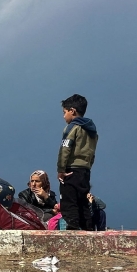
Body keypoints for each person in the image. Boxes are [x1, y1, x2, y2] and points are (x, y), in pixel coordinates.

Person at [56, 94, 98, 230]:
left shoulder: (72, 128)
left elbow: (65, 148)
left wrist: (61, 169)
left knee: (69, 201)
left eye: (64, 112)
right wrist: (87, 167)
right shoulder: (92, 130)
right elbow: (92, 152)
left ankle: (72, 228)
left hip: (71, 169)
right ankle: (88, 229)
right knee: (83, 202)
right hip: (85, 170)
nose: (63, 116)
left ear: (72, 111)